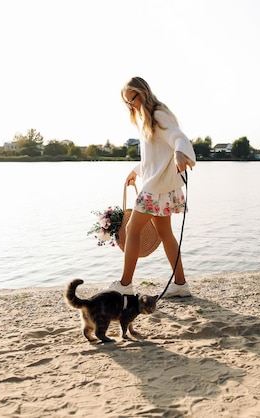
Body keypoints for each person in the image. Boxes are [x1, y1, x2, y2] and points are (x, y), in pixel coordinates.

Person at [107, 77, 196, 297]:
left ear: (143, 92)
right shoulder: (146, 118)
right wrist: (136, 171)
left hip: (156, 188)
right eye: (127, 103)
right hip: (160, 186)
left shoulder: (158, 114)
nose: (130, 105)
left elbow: (178, 137)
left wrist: (179, 153)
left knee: (131, 230)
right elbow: (155, 155)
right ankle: (181, 284)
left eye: (132, 99)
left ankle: (125, 284)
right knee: (165, 233)